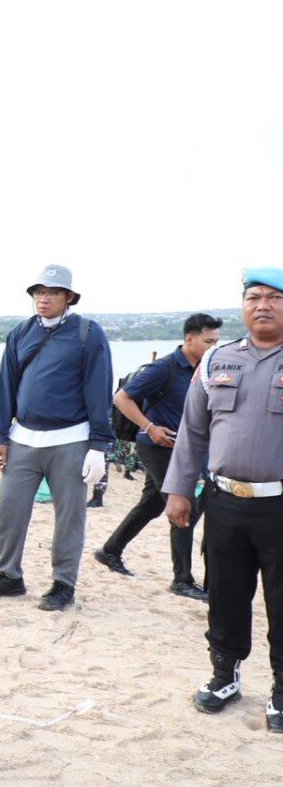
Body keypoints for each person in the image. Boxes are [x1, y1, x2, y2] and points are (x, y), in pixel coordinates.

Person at [162, 269, 283, 732]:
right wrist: (178, 490)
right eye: (254, 297)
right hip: (225, 502)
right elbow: (193, 431)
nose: (263, 305)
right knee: (226, 594)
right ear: (243, 306)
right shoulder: (217, 360)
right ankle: (223, 676)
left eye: (274, 297)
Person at [0, 265, 114, 611]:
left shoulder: (87, 334)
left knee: (69, 517)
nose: (43, 298)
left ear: (68, 297)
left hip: (71, 439)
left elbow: (99, 390)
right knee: (10, 511)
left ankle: (63, 583)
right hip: (23, 439)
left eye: (51, 292)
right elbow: (5, 387)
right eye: (38, 292)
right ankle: (9, 576)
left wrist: (99, 445)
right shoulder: (20, 333)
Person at [94, 318, 225, 600]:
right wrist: (149, 427)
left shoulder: (204, 370)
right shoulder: (163, 368)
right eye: (209, 342)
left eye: (217, 341)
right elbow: (121, 398)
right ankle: (182, 580)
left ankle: (110, 550)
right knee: (183, 508)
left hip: (187, 450)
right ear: (190, 339)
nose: (214, 347)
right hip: (158, 448)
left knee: (152, 504)